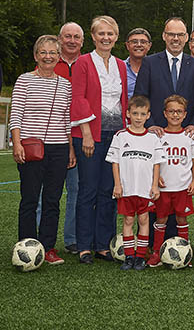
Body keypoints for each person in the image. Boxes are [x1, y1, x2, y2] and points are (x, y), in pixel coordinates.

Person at [134, 17, 194, 248]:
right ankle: (154, 245)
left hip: (184, 138)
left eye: (180, 35)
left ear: (186, 38)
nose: (175, 39)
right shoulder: (150, 62)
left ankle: (178, 245)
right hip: (158, 138)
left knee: (179, 187)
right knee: (158, 190)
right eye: (171, 34)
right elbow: (141, 97)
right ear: (164, 36)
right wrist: (151, 123)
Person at [10, 35, 75, 265]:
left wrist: (70, 149)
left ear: (59, 56)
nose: (48, 56)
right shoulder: (24, 80)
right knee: (29, 199)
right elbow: (15, 114)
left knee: (52, 199)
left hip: (58, 148)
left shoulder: (65, 84)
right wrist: (17, 143)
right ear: (36, 55)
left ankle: (48, 248)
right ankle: (26, 247)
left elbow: (67, 119)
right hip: (31, 147)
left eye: (52, 52)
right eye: (43, 52)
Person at [71, 15, 128, 264]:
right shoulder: (83, 62)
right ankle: (84, 245)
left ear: (116, 37)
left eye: (110, 33)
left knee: (109, 191)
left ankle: (103, 245)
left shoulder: (121, 65)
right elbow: (79, 98)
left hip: (115, 136)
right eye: (100, 33)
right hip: (90, 135)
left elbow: (123, 101)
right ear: (93, 37)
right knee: (88, 191)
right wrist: (86, 134)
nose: (106, 37)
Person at [35, 22, 83, 255]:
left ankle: (71, 239)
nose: (72, 40)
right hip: (51, 139)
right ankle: (37, 240)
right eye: (67, 36)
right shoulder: (50, 62)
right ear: (59, 39)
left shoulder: (88, 63)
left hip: (77, 137)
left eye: (76, 37)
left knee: (75, 190)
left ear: (82, 41)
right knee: (47, 192)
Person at [106, 96, 165, 270]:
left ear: (148, 116)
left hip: (145, 189)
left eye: (142, 114)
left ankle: (140, 257)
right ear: (127, 114)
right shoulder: (120, 136)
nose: (138, 117)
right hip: (127, 188)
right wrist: (117, 184)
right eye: (135, 114)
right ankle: (129, 257)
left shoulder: (153, 139)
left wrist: (154, 185)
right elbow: (115, 162)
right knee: (128, 221)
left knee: (144, 219)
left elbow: (156, 164)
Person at [147, 95, 194, 267]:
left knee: (182, 220)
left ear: (185, 114)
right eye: (171, 111)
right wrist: (156, 178)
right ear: (164, 113)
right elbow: (152, 161)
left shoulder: (189, 136)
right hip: (164, 188)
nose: (175, 115)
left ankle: (185, 252)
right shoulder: (158, 136)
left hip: (182, 187)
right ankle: (156, 253)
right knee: (161, 219)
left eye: (179, 112)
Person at [124, 28, 152, 98]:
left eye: (143, 42)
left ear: (149, 46)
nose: (139, 45)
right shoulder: (118, 68)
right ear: (127, 45)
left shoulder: (157, 68)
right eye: (134, 42)